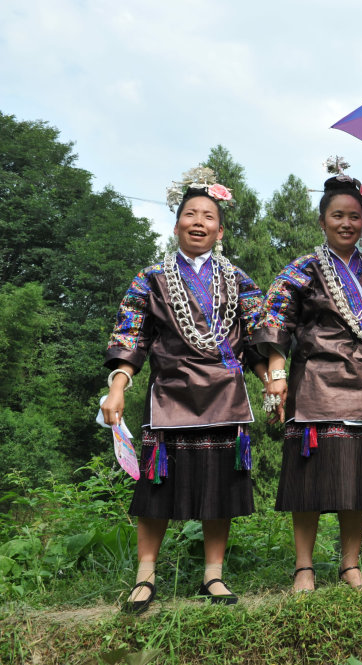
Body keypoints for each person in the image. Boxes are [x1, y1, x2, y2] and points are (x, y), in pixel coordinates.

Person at [102, 166, 267, 614]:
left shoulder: (238, 280)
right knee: (157, 489)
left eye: (208, 215)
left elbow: (259, 333)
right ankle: (145, 576)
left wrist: (274, 375)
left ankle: (213, 575)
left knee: (220, 488)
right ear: (176, 225)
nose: (199, 222)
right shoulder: (151, 277)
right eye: (190, 214)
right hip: (170, 395)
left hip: (224, 395)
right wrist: (117, 388)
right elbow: (131, 334)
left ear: (220, 228)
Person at [252, 158, 362, 592]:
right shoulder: (300, 269)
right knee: (310, 481)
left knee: (358, 479)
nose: (347, 223)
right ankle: (303, 567)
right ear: (322, 220)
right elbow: (276, 321)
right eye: (338, 216)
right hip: (316, 386)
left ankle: (350, 565)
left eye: (355, 216)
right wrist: (276, 371)